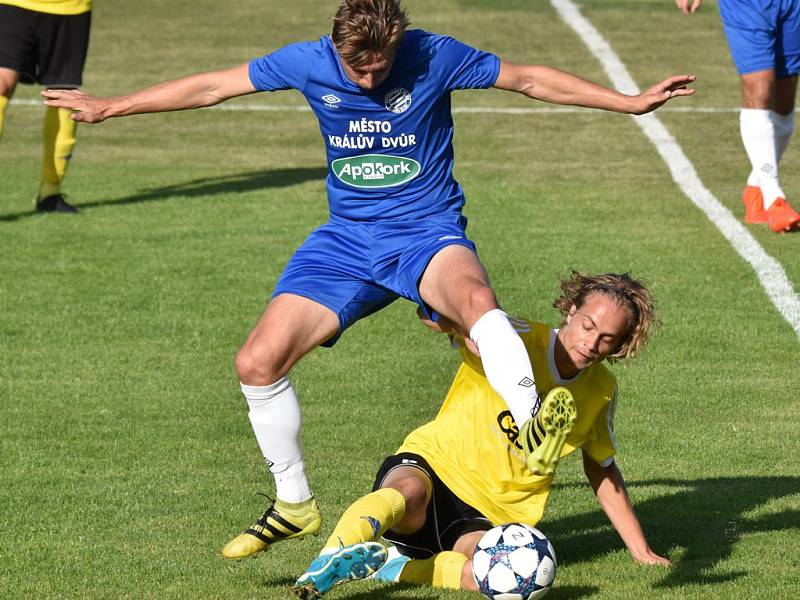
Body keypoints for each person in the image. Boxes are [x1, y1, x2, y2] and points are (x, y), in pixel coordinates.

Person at [43, 0, 695, 560]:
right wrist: (114, 106)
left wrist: (628, 103)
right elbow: (213, 85)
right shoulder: (307, 61)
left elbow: (526, 79)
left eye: (380, 64)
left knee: (477, 304)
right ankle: (294, 502)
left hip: (426, 236)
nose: (369, 76)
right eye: (357, 66)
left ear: (396, 43)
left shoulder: (434, 55)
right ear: (336, 46)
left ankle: (532, 421)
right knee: (256, 360)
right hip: (347, 242)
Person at [292, 272, 669, 599]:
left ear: (620, 344)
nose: (592, 343)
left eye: (608, 338)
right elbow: (434, 313)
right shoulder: (515, 338)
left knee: (493, 580)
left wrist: (640, 550)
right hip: (435, 465)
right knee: (407, 495)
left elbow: (602, 469)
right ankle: (324, 565)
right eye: (588, 326)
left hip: (491, 513)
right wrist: (458, 321)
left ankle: (390, 568)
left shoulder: (601, 389)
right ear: (571, 311)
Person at [676, 0, 800, 232]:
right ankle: (774, 199)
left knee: (785, 95)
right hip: (746, 5)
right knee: (760, 87)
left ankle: (755, 189)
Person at [0, 0, 92, 213]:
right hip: (13, 4)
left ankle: (50, 192)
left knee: (63, 95)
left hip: (71, 8)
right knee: (2, 85)